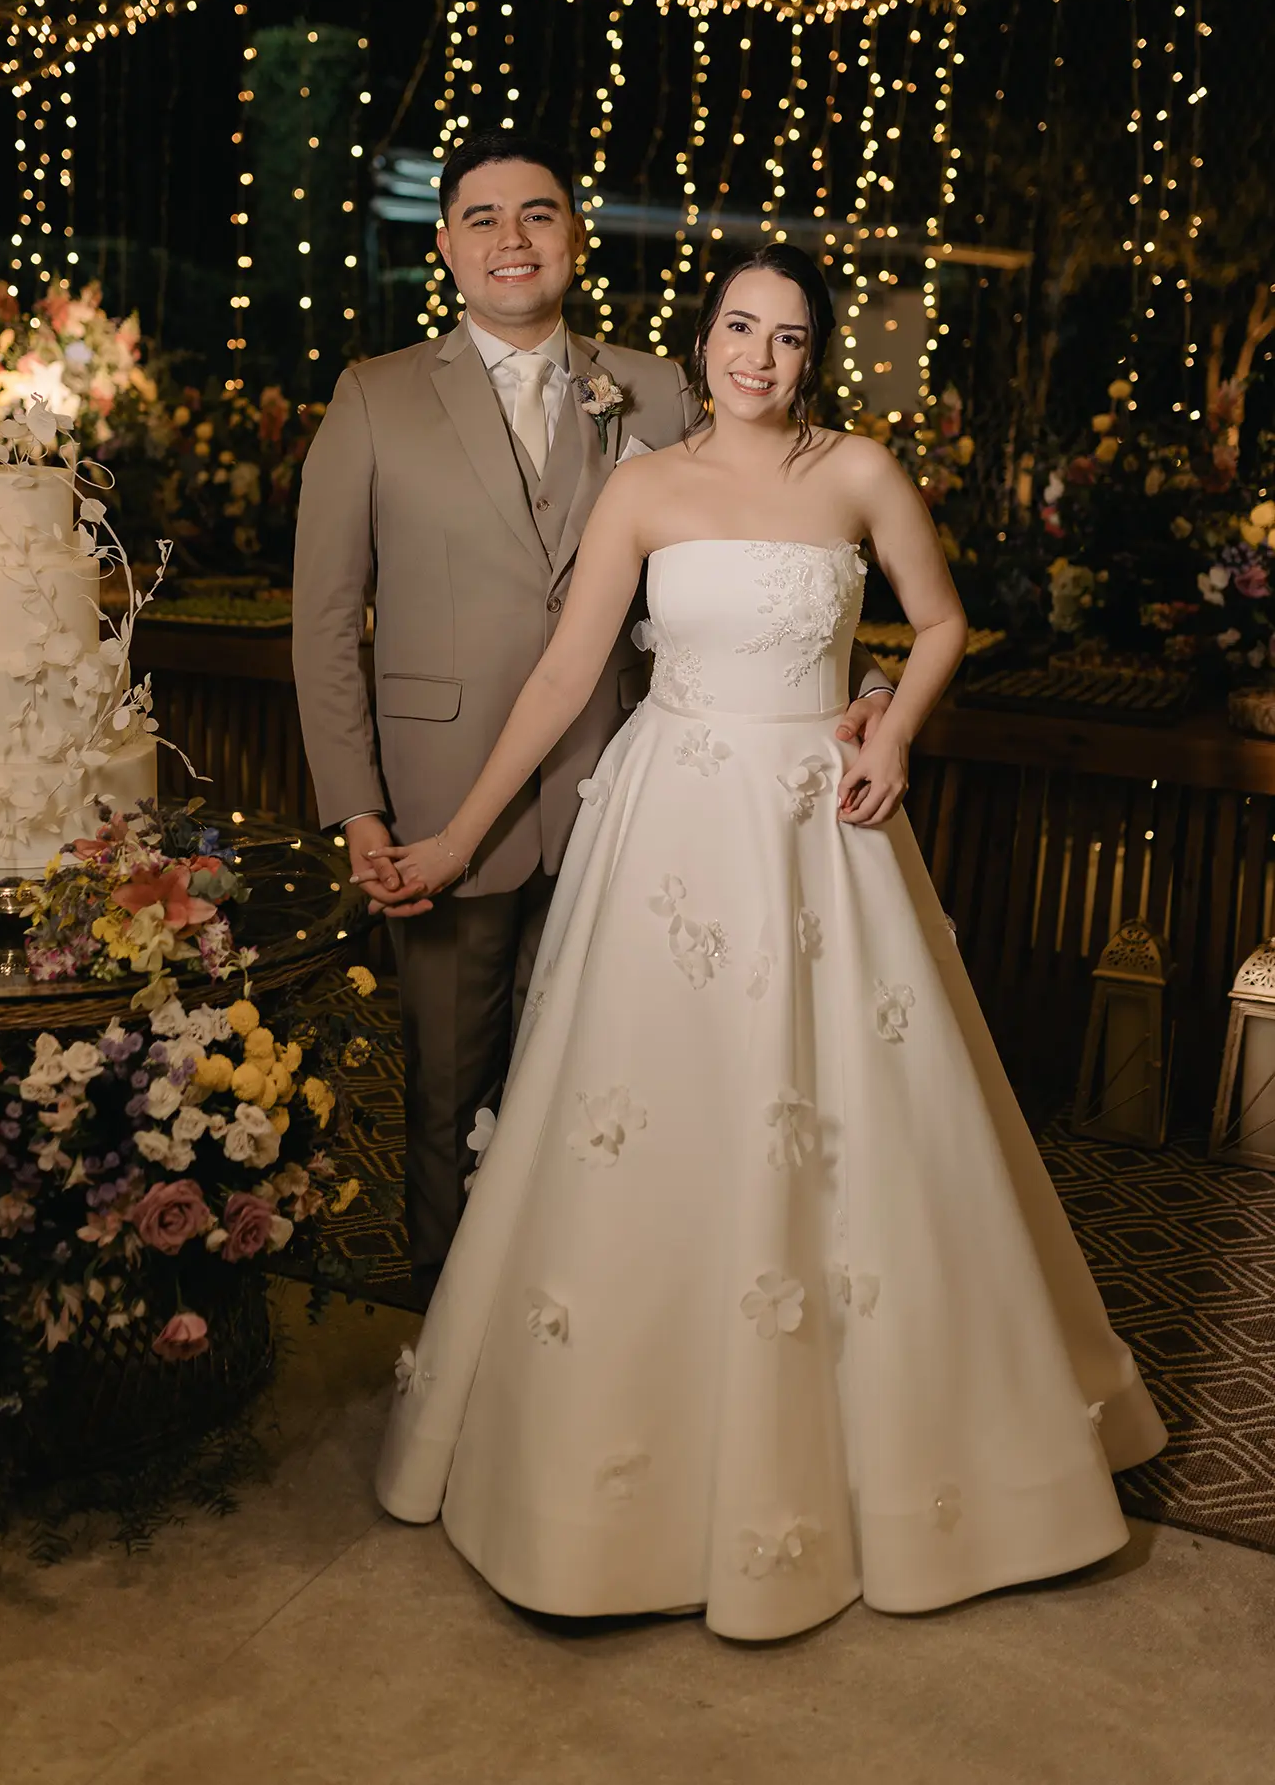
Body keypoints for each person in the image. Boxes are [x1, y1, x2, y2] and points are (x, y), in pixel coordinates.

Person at [373, 244, 1167, 1640]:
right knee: (656, 1114)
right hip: (672, 825)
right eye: (740, 328)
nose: (760, 357)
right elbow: (565, 675)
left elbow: (942, 622)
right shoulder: (644, 486)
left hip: (817, 820)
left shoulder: (856, 471)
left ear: (816, 356)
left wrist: (891, 721)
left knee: (848, 1119)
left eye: (789, 337)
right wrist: (451, 838)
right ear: (703, 341)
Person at [292, 130, 896, 1302]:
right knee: (443, 1087)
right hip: (442, 800)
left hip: (641, 804)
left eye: (539, 213)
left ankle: (587, 1309)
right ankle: (451, 1316)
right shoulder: (373, 397)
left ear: (574, 234)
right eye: (483, 218)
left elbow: (760, 564)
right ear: (445, 245)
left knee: (615, 1079)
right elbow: (322, 628)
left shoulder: (659, 387)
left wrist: (867, 688)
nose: (511, 238)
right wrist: (359, 809)